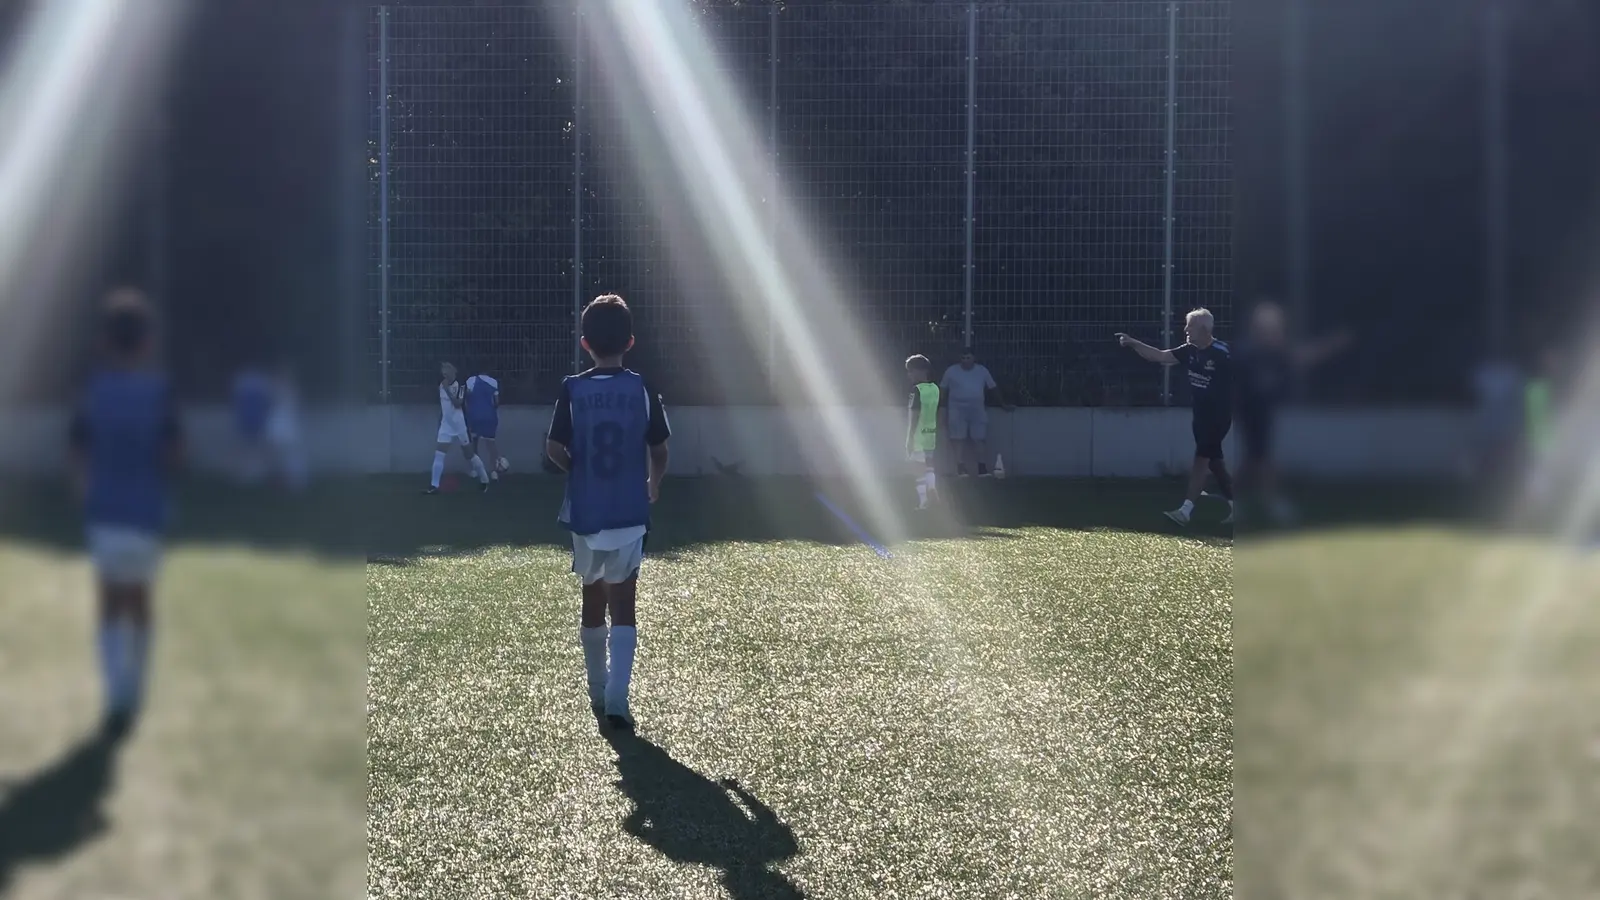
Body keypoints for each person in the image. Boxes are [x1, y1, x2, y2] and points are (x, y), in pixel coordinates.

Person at [545, 295, 671, 731]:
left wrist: (578, 472)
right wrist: (653, 484)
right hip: (630, 513)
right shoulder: (642, 387)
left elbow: (553, 448)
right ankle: (618, 698)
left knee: (592, 595)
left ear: (585, 344)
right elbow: (660, 449)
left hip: (586, 512)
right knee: (625, 601)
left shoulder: (573, 388)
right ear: (631, 342)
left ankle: (596, 689)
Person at [68, 288, 182, 737]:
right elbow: (174, 453)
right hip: (147, 512)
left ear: (104, 341)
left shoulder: (92, 391)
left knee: (109, 600)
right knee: (141, 600)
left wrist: (85, 493)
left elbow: (77, 452)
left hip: (104, 513)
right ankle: (135, 690)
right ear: (147, 342)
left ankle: (117, 693)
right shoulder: (160, 391)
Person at [1232, 300, 1351, 523]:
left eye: (1277, 328)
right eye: (1269, 329)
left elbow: (1304, 356)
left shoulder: (1276, 354)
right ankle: (1267, 502)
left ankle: (1250, 501)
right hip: (1249, 412)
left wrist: (1332, 345)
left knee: (1255, 459)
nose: (1276, 334)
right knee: (1260, 459)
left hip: (1263, 412)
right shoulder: (1246, 354)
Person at [1117, 308, 1235, 526]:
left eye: (1190, 325)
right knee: (1215, 463)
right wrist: (1133, 343)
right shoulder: (1189, 350)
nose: (1185, 329)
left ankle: (1185, 511)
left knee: (1201, 460)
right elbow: (1160, 356)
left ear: (1204, 329)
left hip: (1218, 418)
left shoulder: (1222, 353)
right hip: (1200, 416)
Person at [939, 348, 1013, 477]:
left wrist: (1002, 404)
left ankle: (982, 468)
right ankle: (960, 468)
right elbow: (943, 389)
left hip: (977, 408)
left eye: (968, 358)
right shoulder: (951, 371)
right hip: (956, 408)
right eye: (963, 358)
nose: (966, 361)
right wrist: (940, 407)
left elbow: (992, 387)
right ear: (959, 359)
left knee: (979, 438)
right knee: (958, 438)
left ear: (974, 358)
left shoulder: (982, 371)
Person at [427, 361, 491, 494]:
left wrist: (447, 390)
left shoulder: (460, 384)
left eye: (448, 368)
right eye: (443, 368)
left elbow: (458, 403)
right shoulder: (441, 384)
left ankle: (484, 479)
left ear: (454, 370)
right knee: (439, 454)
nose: (445, 371)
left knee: (469, 455)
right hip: (446, 425)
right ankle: (434, 485)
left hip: (460, 425)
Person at [905, 355, 941, 510]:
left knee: (917, 468)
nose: (909, 375)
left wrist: (909, 438)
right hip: (930, 433)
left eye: (911, 371)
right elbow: (937, 412)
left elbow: (914, 415)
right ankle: (932, 489)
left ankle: (923, 501)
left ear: (920, 371)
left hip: (919, 435)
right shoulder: (935, 389)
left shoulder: (916, 390)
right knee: (929, 466)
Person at [464, 370, 502, 480]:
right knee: (491, 444)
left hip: (474, 416)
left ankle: (475, 470)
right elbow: (496, 402)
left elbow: (466, 398)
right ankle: (494, 472)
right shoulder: (493, 382)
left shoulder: (471, 380)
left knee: (474, 443)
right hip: (489, 416)